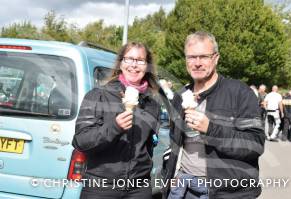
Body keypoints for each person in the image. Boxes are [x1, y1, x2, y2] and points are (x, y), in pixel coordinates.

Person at [161, 31, 265, 199]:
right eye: (191, 57)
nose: (197, 63)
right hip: (184, 187)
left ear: (216, 58)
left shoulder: (240, 93)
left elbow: (255, 145)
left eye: (203, 57)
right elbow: (175, 144)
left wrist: (210, 129)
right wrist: (171, 175)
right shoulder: (180, 96)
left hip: (225, 191)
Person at [72, 42, 161, 199]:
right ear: (121, 63)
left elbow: (149, 147)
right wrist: (114, 127)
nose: (134, 65)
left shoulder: (152, 104)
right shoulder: (98, 96)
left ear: (147, 66)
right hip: (101, 187)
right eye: (129, 59)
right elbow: (80, 141)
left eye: (140, 60)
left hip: (139, 189)